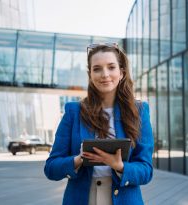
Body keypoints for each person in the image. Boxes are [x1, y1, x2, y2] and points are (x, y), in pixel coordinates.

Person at [44, 43, 154, 205]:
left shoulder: (139, 111)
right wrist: (79, 159)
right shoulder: (74, 112)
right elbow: (51, 169)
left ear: (121, 72)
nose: (105, 74)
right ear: (90, 74)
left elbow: (146, 171)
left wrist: (120, 166)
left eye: (111, 67)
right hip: (82, 199)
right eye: (97, 69)